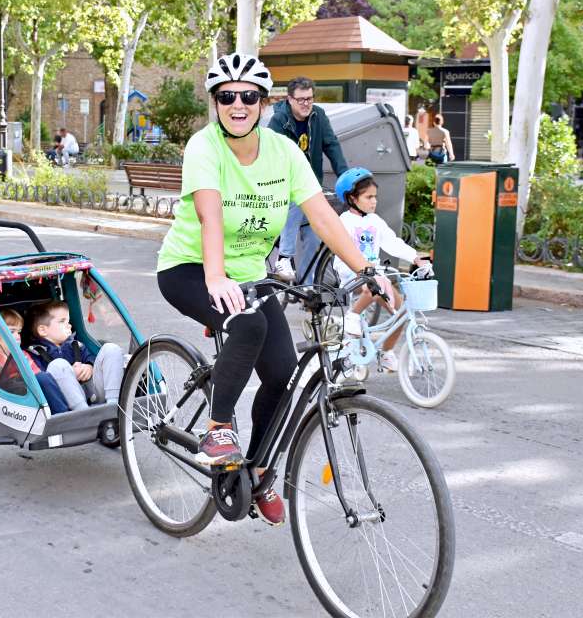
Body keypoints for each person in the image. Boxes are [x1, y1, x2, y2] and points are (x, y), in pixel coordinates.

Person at [156, 52, 390, 527]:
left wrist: (368, 268)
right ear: (216, 102)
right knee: (246, 324)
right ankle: (217, 428)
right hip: (190, 267)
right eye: (227, 96)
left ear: (263, 103)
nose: (237, 104)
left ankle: (258, 471)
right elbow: (210, 215)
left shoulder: (284, 152)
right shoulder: (205, 147)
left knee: (283, 374)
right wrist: (217, 277)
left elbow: (324, 217)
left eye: (248, 96)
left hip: (250, 276)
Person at [331, 168, 432, 371]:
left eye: (375, 197)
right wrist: (363, 271)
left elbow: (393, 243)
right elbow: (341, 251)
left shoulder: (375, 221)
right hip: (351, 274)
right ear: (352, 198)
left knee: (401, 311)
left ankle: (386, 353)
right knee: (372, 285)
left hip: (374, 276)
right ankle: (353, 315)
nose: (374, 201)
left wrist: (416, 258)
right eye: (368, 197)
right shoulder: (344, 222)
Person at [266, 76, 347, 282]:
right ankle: (284, 257)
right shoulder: (279, 121)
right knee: (295, 200)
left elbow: (331, 145)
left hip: (311, 186)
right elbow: (274, 157)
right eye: (301, 99)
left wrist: (345, 177)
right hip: (283, 186)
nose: (306, 104)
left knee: (314, 235)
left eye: (309, 99)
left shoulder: (318, 116)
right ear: (290, 99)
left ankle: (306, 285)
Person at [25, 300, 124, 411]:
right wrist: (69, 372)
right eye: (62, 321)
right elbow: (44, 382)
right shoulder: (35, 354)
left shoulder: (76, 344)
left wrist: (89, 366)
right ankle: (83, 412)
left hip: (93, 393)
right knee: (58, 365)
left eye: (68, 321)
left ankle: (115, 403)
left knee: (111, 349)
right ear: (43, 330)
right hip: (69, 403)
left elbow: (90, 358)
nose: (69, 325)